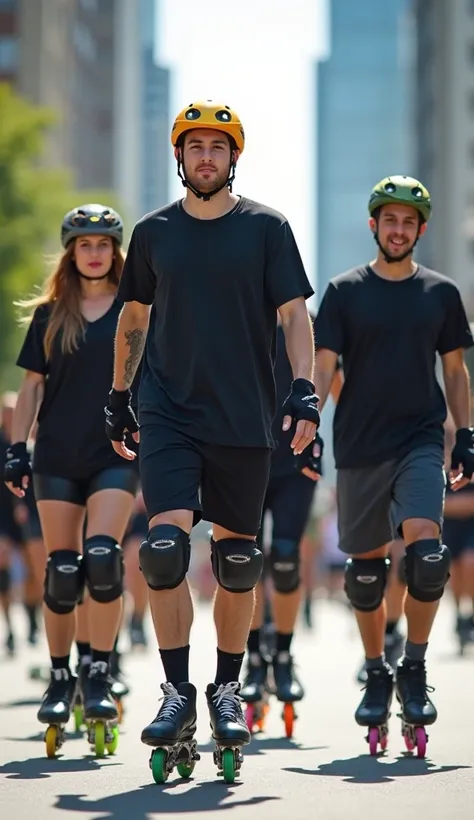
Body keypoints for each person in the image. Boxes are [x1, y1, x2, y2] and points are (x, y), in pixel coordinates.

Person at [104, 99, 319, 782]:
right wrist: (118, 396)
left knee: (237, 562)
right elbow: (134, 314)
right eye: (194, 147)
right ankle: (176, 691)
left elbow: (293, 314)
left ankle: (227, 685)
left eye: (216, 148)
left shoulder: (266, 228)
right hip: (167, 410)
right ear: (180, 157)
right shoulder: (153, 233)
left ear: (233, 159)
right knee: (163, 552)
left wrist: (304, 389)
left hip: (244, 417)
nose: (205, 158)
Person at [312, 175, 474, 757]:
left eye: (409, 221)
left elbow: (455, 371)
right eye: (390, 220)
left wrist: (467, 433)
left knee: (428, 556)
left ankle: (414, 665)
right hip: (358, 446)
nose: (399, 229)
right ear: (374, 225)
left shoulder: (440, 294)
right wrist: (309, 431)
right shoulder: (343, 291)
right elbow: (324, 366)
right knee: (366, 572)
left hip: (420, 441)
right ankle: (376, 668)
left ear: (420, 230)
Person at [3, 204, 140, 757]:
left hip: (114, 453)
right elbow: (32, 386)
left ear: (115, 251)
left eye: (102, 244)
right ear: (71, 252)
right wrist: (17, 446)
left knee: (103, 560)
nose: (93, 252)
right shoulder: (51, 314)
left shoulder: (137, 311)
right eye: (84, 244)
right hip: (57, 454)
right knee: (62, 571)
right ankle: (61, 678)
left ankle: (99, 672)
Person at [240, 312, 329, 737]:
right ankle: (255, 659)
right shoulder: (237, 314)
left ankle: (285, 655)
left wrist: (320, 430)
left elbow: (331, 377)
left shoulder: (307, 323)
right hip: (246, 456)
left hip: (296, 462)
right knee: (246, 560)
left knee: (288, 558)